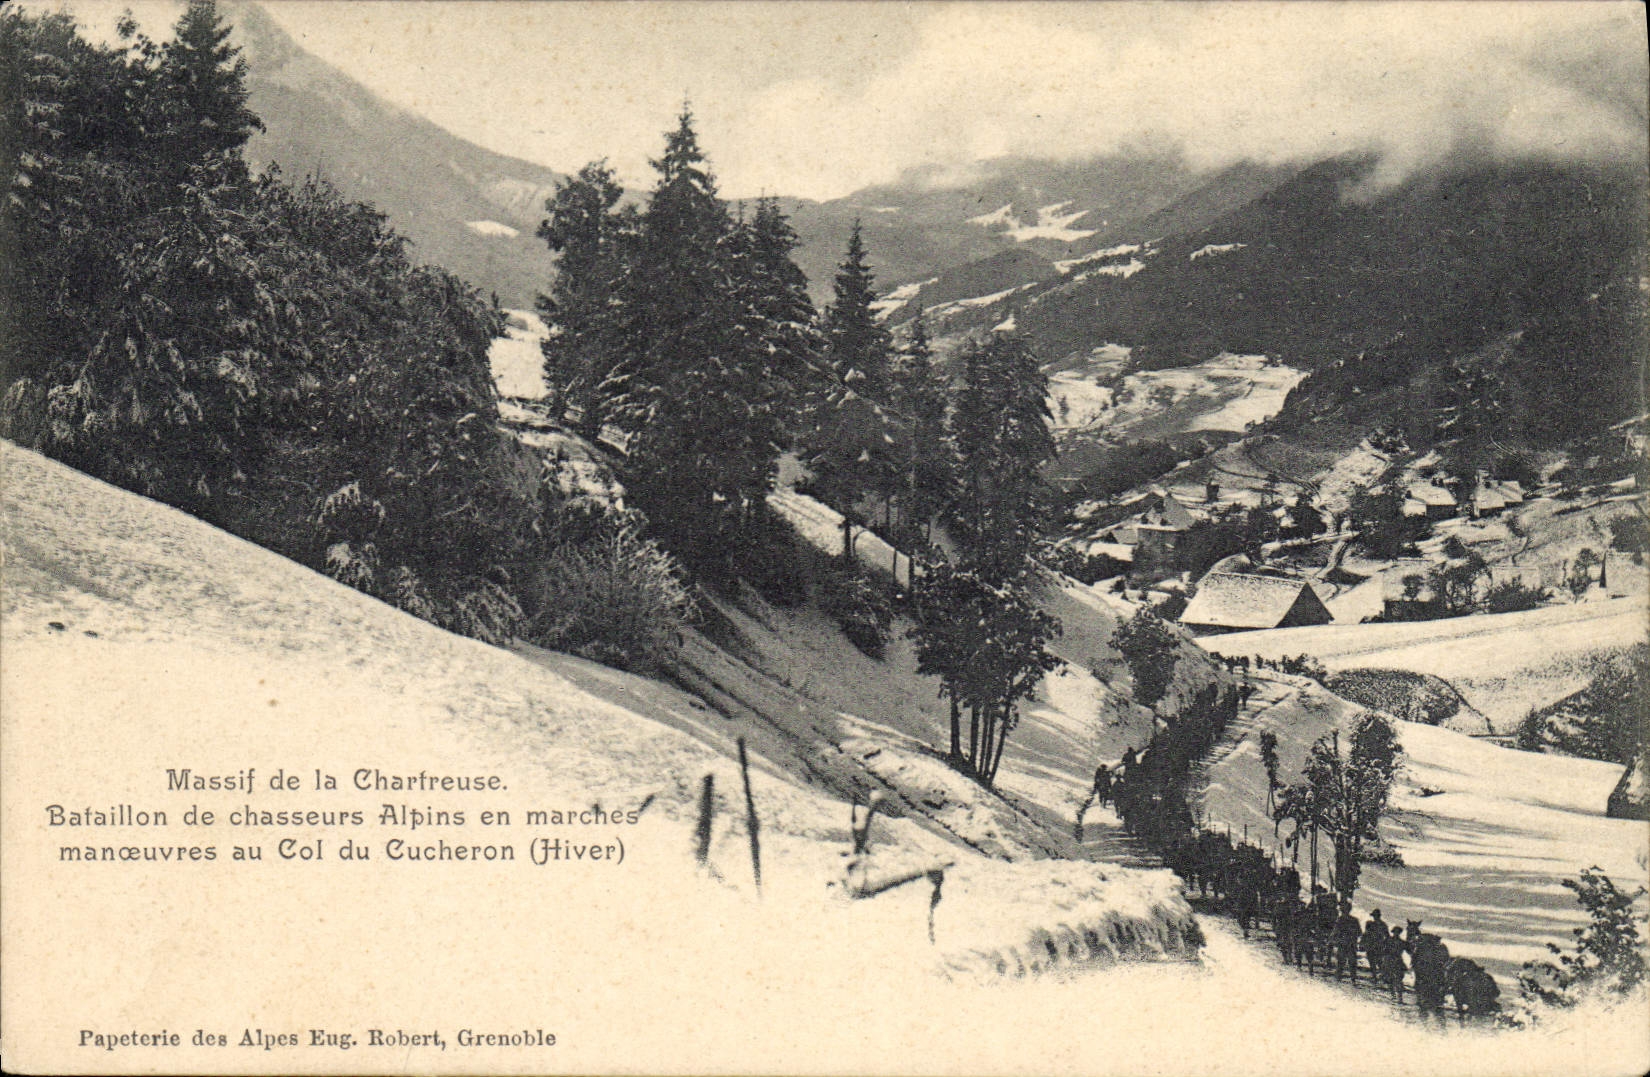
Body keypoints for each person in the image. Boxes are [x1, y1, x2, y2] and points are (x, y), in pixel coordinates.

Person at [1333, 900, 1362, 983]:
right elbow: (1359, 933)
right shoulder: (1354, 920)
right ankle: (1353, 979)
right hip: (1351, 944)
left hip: (1343, 944)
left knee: (1341, 963)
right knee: (1352, 963)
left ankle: (1338, 979)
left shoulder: (1340, 920)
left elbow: (1335, 932)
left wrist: (1334, 940)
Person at [1360, 909, 1389, 981]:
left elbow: (1387, 936)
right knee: (1373, 961)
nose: (1375, 917)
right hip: (1372, 945)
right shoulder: (1371, 924)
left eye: (1376, 916)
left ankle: (1381, 976)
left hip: (1378, 946)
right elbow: (1365, 934)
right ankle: (1376, 976)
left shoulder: (1382, 925)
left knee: (1378, 962)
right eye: (1374, 916)